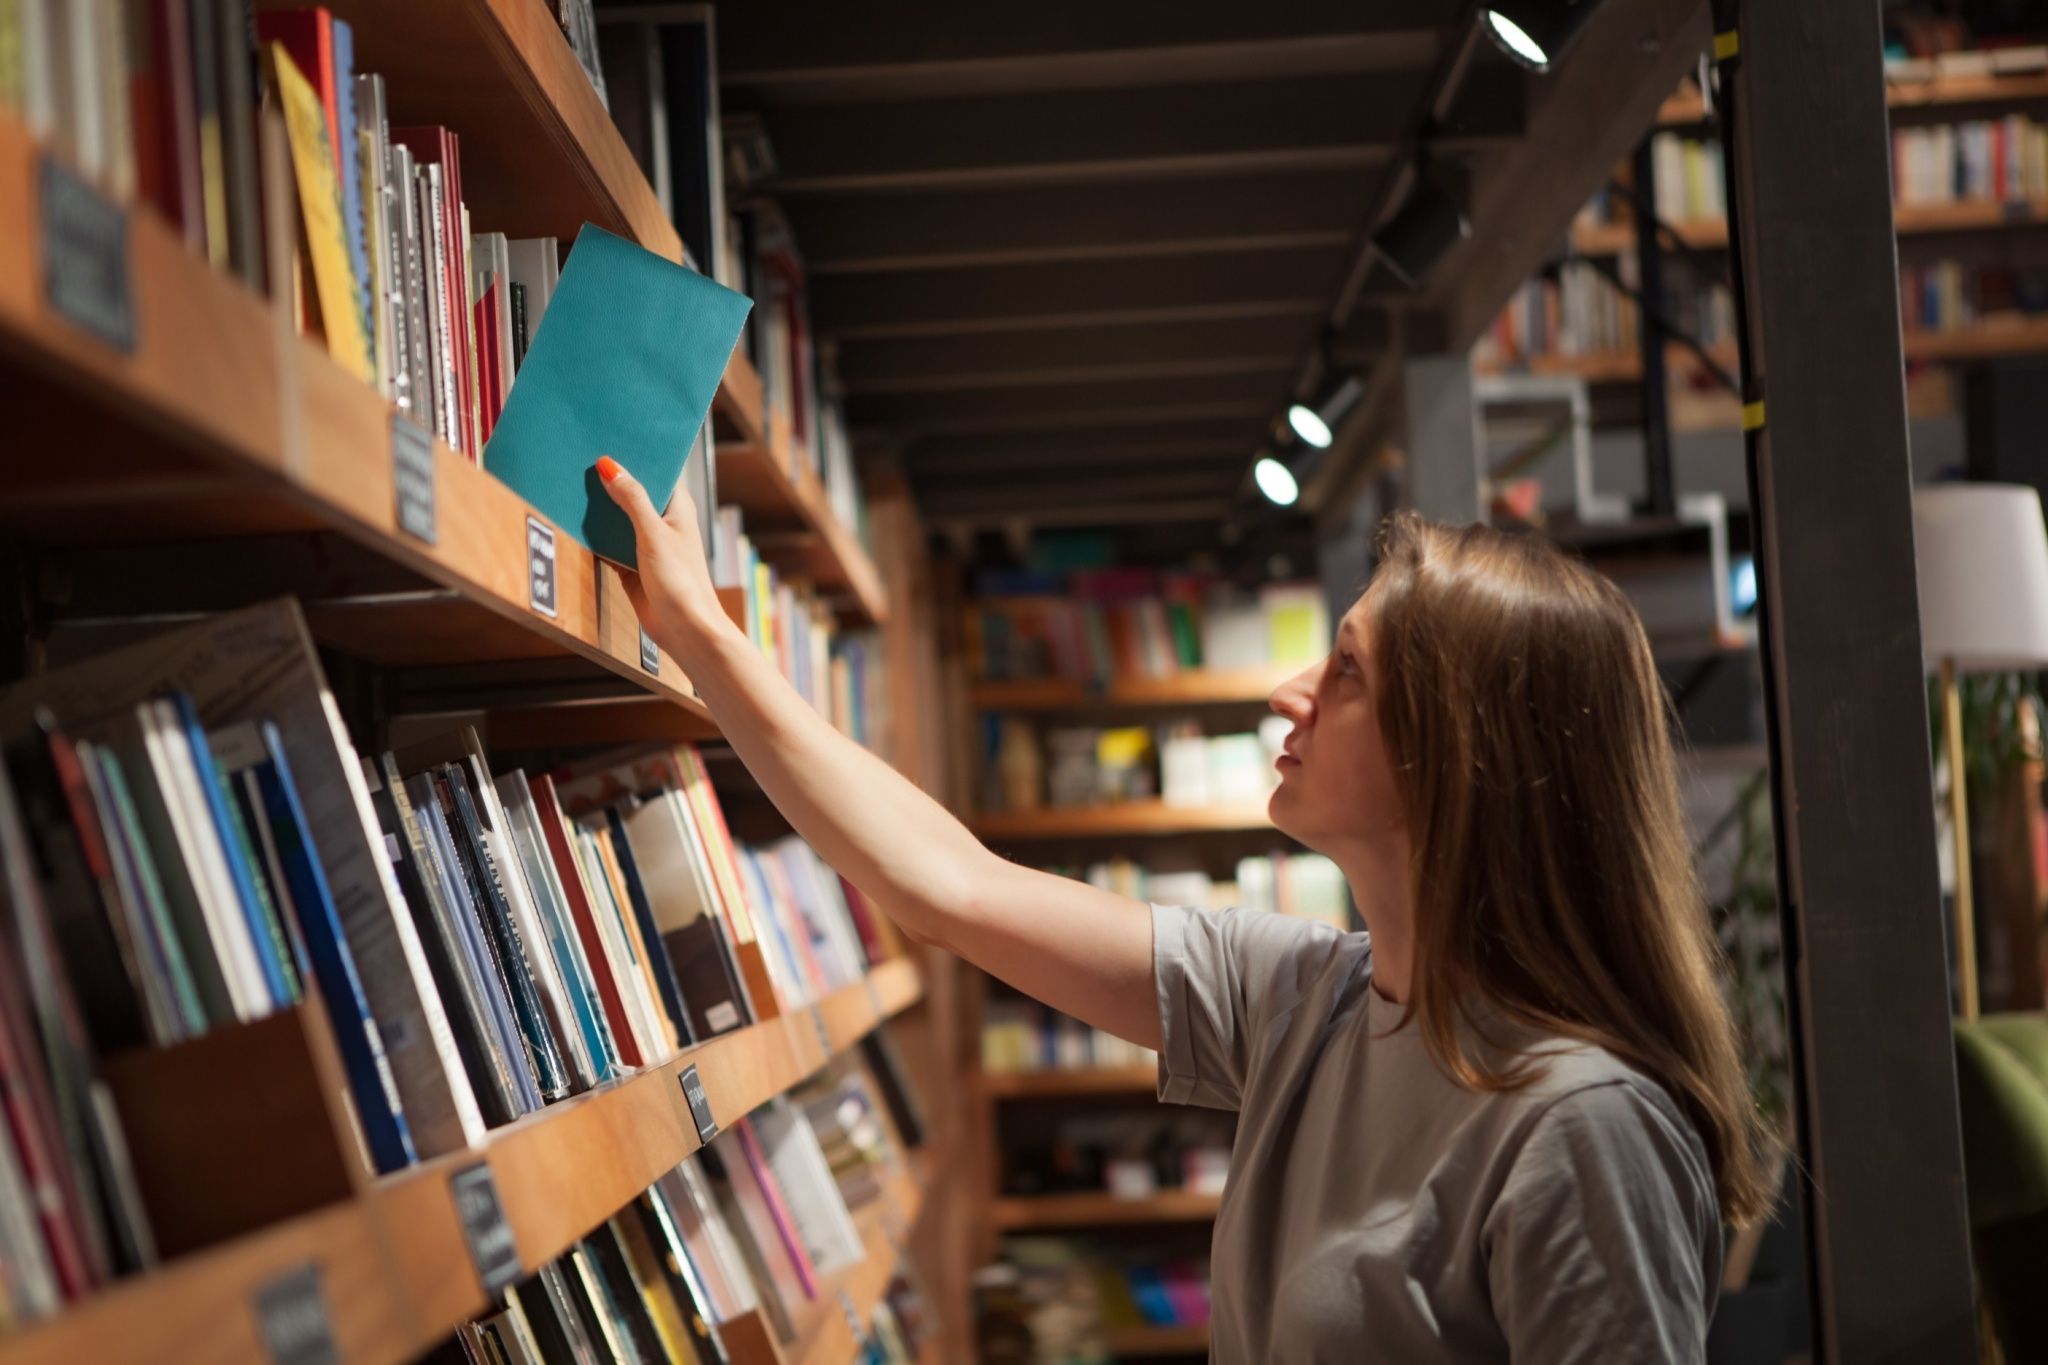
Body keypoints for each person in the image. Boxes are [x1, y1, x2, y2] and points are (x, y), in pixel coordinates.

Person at [594, 455, 1775, 1363]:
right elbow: (953, 891)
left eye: (1347, 671)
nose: (1285, 691)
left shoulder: (1582, 1130)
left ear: (1457, 753)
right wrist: (700, 636)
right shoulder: (1305, 999)